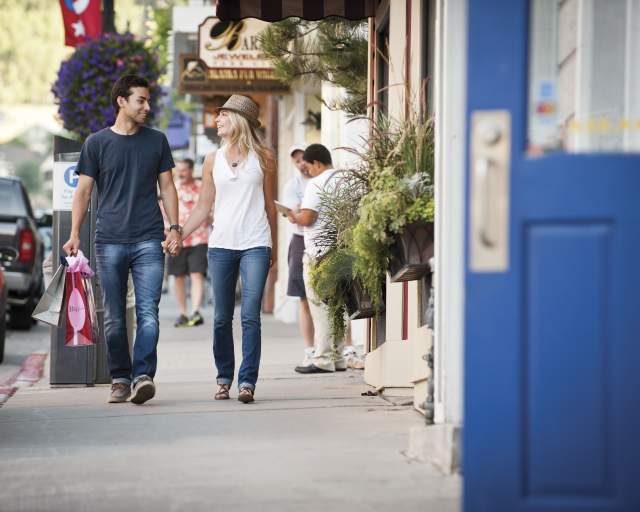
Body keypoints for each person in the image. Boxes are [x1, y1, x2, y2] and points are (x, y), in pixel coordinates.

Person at [63, 74, 181, 405]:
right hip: (109, 240)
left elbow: (168, 187)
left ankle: (143, 376)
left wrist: (174, 228)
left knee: (148, 313)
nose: (147, 106)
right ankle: (119, 378)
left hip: (148, 240)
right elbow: (83, 191)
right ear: (122, 102)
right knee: (114, 317)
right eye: (141, 100)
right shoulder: (96, 143)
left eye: (148, 100)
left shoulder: (156, 141)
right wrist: (74, 234)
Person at [174, 94, 277, 404]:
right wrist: (179, 232)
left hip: (256, 243)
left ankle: (247, 382)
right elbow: (205, 205)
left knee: (249, 315)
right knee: (221, 317)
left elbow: (269, 205)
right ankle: (223, 377)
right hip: (221, 245)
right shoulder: (211, 160)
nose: (216, 120)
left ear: (238, 120)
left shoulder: (264, 157)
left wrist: (274, 247)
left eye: (222, 116)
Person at [287, 144, 347, 374]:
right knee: (339, 305)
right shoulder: (345, 178)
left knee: (320, 305)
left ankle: (322, 359)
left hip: (319, 253)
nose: (307, 170)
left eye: (309, 165)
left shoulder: (317, 183)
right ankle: (338, 356)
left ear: (317, 164)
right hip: (343, 249)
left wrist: (293, 216)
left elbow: (309, 218)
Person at [281, 144, 316, 369]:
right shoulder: (292, 185)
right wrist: (299, 213)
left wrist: (302, 212)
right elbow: (294, 214)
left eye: (304, 158)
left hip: (324, 238)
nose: (301, 163)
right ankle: (310, 349)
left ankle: (345, 347)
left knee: (335, 296)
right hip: (300, 240)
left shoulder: (321, 180)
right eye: (297, 161)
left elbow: (303, 213)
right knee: (303, 297)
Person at [166, 158, 210, 328]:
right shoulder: (172, 188)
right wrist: (166, 231)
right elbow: (163, 210)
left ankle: (195, 311)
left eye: (184, 170)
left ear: (192, 170)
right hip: (176, 238)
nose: (181, 173)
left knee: (197, 273)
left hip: (199, 237)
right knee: (178, 275)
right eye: (179, 170)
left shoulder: (201, 187)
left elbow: (209, 208)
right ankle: (183, 312)